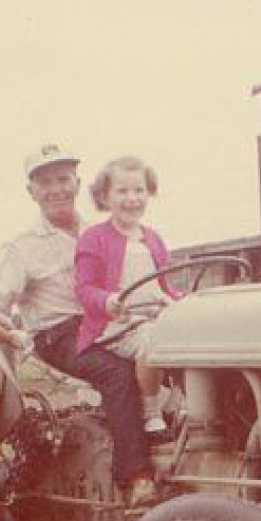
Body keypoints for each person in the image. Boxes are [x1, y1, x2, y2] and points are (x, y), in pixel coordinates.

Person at [0, 144, 157, 507]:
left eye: (62, 179)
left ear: (76, 182)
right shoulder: (22, 247)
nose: (56, 189)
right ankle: (136, 478)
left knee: (166, 349)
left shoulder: (104, 230)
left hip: (108, 320)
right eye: (44, 182)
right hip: (59, 334)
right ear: (31, 192)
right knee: (117, 372)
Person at [74, 155, 178, 442]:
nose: (132, 199)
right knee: (153, 341)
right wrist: (107, 300)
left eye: (139, 190)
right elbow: (84, 288)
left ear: (149, 192)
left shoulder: (153, 238)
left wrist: (182, 302)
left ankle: (191, 409)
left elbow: (163, 286)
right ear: (105, 197)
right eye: (122, 191)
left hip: (153, 317)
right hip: (117, 326)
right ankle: (152, 414)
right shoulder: (94, 238)